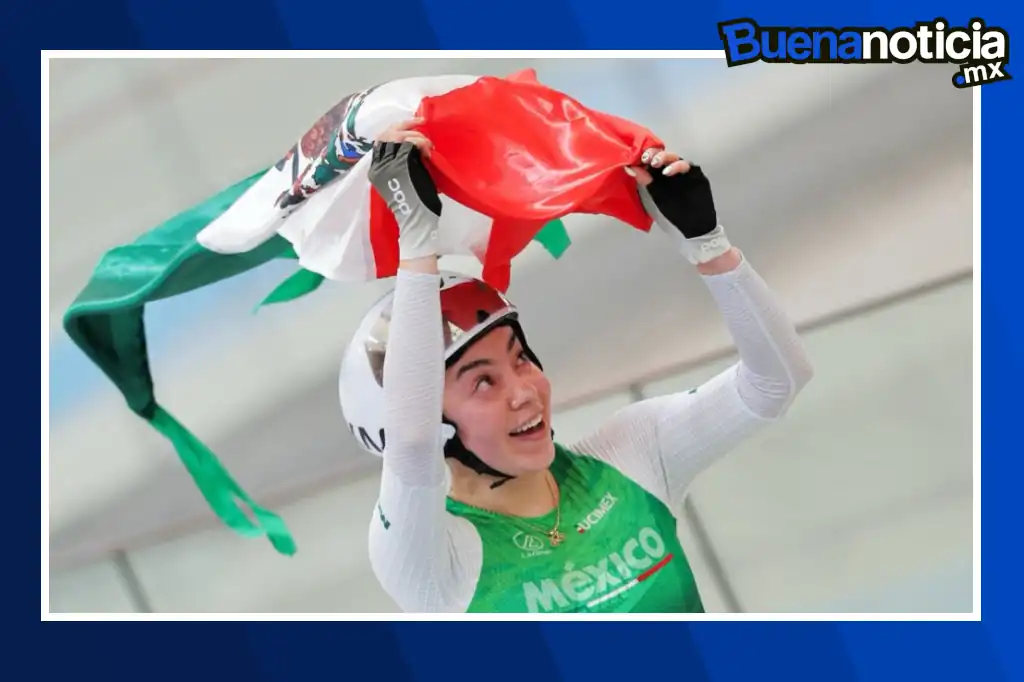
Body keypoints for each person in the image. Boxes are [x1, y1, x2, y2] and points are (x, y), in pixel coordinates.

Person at [338, 120, 814, 613]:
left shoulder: (632, 453)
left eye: (520, 359)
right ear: (427, 421)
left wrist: (709, 245)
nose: (523, 390)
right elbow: (411, 445)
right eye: (483, 381)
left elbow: (775, 382)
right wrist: (417, 242)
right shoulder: (431, 560)